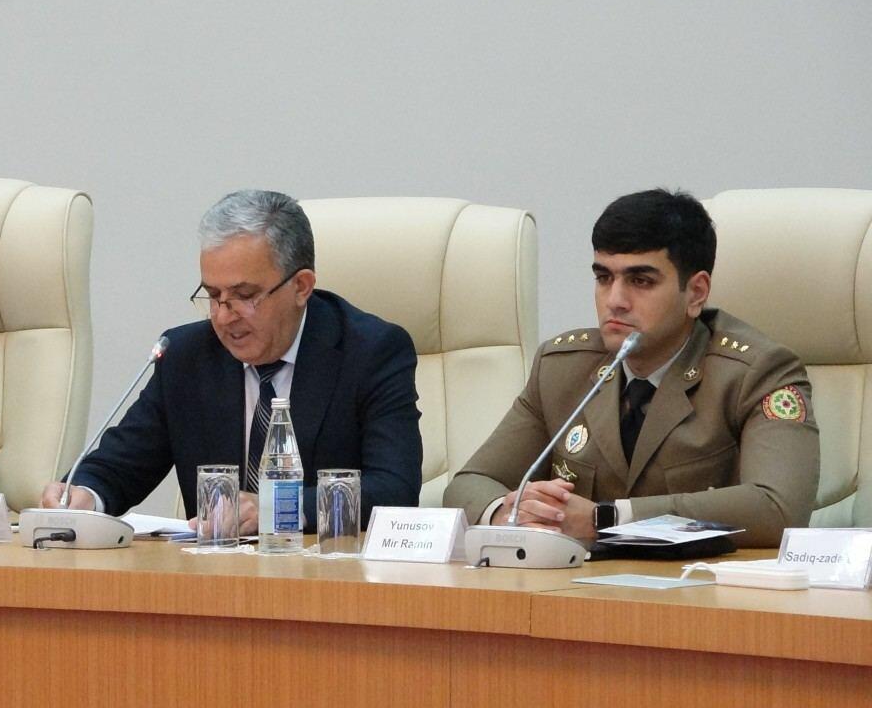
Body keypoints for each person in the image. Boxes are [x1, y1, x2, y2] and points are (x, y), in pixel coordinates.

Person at [442, 189, 818, 547]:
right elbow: (470, 484)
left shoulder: (756, 372)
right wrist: (507, 512)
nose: (615, 301)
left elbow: (779, 508)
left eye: (641, 281)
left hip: (698, 585)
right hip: (577, 582)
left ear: (696, 293)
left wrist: (608, 519)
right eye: (604, 278)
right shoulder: (561, 368)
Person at [41, 189, 422, 532]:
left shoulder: (371, 352)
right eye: (213, 295)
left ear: (301, 286)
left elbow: (394, 490)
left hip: (323, 573)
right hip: (214, 576)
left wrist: (276, 508)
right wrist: (86, 495)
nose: (224, 316)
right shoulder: (186, 355)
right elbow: (119, 465)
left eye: (244, 295)